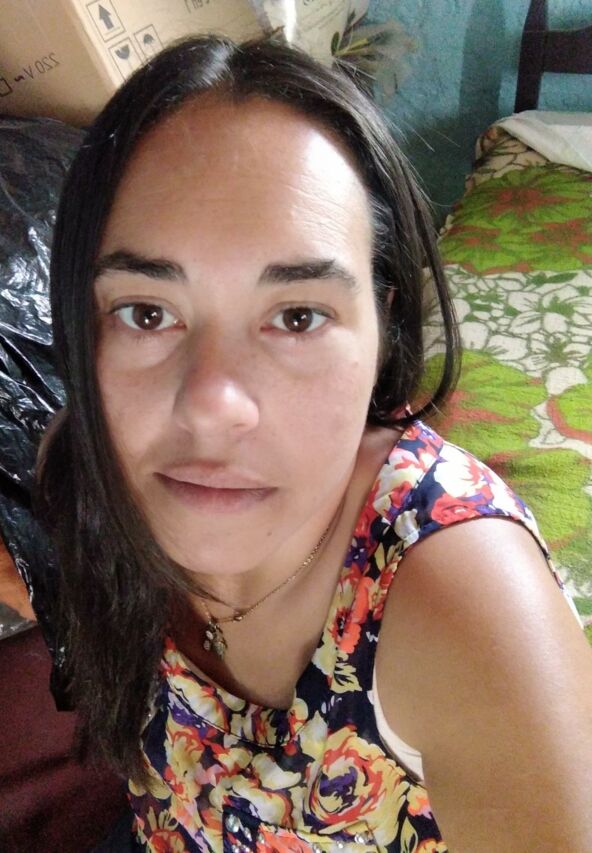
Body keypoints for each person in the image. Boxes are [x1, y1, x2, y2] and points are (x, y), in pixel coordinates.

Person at [36, 33, 592, 852]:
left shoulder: (468, 601)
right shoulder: (92, 464)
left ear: (382, 328)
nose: (213, 407)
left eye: (297, 317)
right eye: (147, 313)